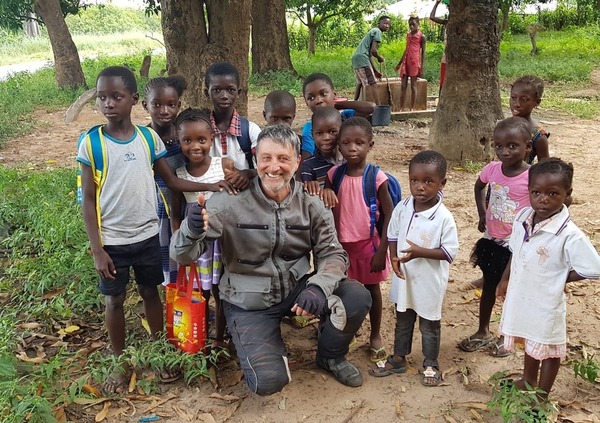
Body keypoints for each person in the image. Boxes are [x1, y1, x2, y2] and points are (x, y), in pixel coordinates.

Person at [170, 124, 372, 395]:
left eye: (283, 158)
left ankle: (330, 356)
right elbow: (181, 255)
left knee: (356, 297)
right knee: (268, 382)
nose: (274, 167)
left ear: (297, 161)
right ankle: (264, 344)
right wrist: (190, 230)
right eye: (266, 158)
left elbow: (333, 253)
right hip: (247, 302)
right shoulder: (228, 202)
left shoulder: (312, 203)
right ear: (256, 159)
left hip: (295, 289)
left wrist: (318, 287)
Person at [77, 66, 236, 394]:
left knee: (152, 292)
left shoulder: (148, 139)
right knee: (114, 300)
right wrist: (97, 249)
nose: (109, 104)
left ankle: (161, 350)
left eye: (116, 97)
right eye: (102, 98)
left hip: (148, 235)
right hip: (112, 241)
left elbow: (173, 181)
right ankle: (120, 362)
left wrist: (212, 186)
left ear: (132, 99)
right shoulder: (91, 143)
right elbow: (88, 200)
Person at [496, 158, 600, 399]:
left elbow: (594, 268)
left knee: (549, 348)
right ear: (529, 191)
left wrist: (560, 276)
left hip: (546, 303)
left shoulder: (568, 234)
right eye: (536, 192)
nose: (543, 199)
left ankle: (541, 396)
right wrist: (505, 279)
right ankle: (528, 379)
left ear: (567, 194)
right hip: (523, 295)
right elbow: (516, 250)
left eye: (553, 193)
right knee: (530, 339)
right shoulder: (523, 217)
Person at [370, 150, 458, 387]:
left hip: (429, 282)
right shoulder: (404, 206)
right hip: (405, 279)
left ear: (442, 184)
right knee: (403, 319)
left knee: (429, 324)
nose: (420, 187)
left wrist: (421, 252)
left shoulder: (443, 217)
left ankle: (430, 362)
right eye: (414, 180)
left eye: (428, 181)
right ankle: (399, 358)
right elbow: (393, 233)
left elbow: (449, 252)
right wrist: (393, 257)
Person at [458, 116, 531, 358]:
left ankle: (505, 336)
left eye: (512, 146)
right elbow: (479, 186)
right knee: (489, 284)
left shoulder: (532, 176)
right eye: (499, 146)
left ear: (527, 147)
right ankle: (483, 331)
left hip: (517, 245)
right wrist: (482, 213)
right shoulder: (492, 169)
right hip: (492, 240)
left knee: (510, 289)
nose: (505, 151)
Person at [324, 117, 393, 363]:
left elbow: (390, 215)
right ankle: (349, 330)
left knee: (372, 289)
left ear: (370, 145)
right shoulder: (333, 175)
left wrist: (382, 251)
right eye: (346, 143)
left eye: (359, 143)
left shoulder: (377, 178)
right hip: (341, 248)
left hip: (368, 247)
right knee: (344, 292)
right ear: (339, 146)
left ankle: (375, 334)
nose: (352, 148)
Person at [170, 108, 241, 349]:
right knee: (200, 292)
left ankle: (220, 338)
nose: (195, 146)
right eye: (187, 140)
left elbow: (236, 201)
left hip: (222, 243)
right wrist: (179, 244)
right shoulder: (179, 175)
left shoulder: (224, 165)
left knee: (222, 291)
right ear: (179, 141)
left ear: (212, 138)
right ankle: (197, 338)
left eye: (202, 140)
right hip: (197, 247)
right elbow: (176, 214)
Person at [142, 74, 187, 285]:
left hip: (187, 206)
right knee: (167, 261)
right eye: (157, 104)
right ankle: (171, 296)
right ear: (145, 105)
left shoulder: (184, 134)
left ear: (179, 105)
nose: (164, 110)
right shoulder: (143, 138)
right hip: (159, 210)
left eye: (171, 104)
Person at [204, 62, 261, 187]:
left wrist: (247, 173)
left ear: (238, 93)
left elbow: (266, 167)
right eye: (217, 90)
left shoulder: (250, 131)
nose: (224, 96)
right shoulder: (201, 131)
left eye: (230, 90)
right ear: (207, 93)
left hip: (245, 194)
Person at [302, 72, 375, 160]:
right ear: (306, 103)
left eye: (323, 94)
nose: (318, 100)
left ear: (334, 95)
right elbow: (306, 158)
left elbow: (370, 107)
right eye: (311, 98)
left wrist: (338, 104)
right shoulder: (310, 128)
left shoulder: (344, 117)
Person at [300, 106, 343, 198]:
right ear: (312, 135)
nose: (326, 138)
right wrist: (311, 187)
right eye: (319, 133)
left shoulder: (349, 159)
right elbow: (307, 198)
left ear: (341, 131)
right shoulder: (308, 166)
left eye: (332, 132)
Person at [510, 75, 550, 164]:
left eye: (524, 100)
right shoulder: (502, 126)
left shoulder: (538, 137)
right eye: (514, 98)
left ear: (537, 102)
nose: (517, 104)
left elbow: (545, 168)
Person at [352, 15, 392, 103]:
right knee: (373, 83)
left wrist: (375, 71)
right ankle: (379, 106)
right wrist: (379, 57)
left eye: (388, 24)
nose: (387, 26)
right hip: (362, 58)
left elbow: (370, 56)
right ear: (379, 23)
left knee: (360, 83)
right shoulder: (377, 32)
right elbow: (374, 51)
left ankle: (354, 102)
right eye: (385, 23)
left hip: (356, 58)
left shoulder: (373, 31)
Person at [395, 16, 426, 111]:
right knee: (403, 85)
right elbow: (406, 49)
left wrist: (422, 66)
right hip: (406, 62)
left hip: (414, 62)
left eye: (413, 24)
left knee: (413, 86)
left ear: (418, 24)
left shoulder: (422, 36)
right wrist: (399, 63)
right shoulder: (408, 35)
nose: (411, 26)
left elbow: (423, 52)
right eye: (410, 25)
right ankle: (401, 107)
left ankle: (412, 108)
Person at [429, 0, 448, 95]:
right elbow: (432, 17)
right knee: (443, 82)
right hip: (446, 57)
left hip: (456, 59)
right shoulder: (447, 22)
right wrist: (437, 3)